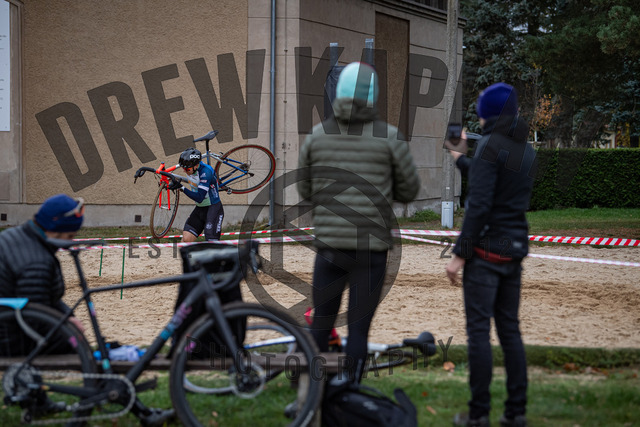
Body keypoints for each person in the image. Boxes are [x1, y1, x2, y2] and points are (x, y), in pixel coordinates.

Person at [297, 61, 420, 383]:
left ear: (339, 93)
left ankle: (312, 393)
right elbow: (410, 190)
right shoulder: (390, 137)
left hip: (330, 247)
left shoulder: (317, 136)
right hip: (371, 250)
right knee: (358, 329)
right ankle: (350, 388)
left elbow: (304, 189)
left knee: (321, 322)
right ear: (373, 95)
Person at [445, 83, 536, 427]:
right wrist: (461, 159)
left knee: (479, 333)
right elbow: (493, 182)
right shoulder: (524, 149)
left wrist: (460, 254)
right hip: (514, 250)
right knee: (510, 331)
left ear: (489, 114)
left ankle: (478, 413)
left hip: (485, 255)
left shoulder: (489, 146)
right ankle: (516, 412)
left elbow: (480, 205)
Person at [0, 194, 86, 338]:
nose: (69, 243)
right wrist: (70, 334)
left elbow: (48, 301)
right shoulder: (37, 263)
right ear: (54, 230)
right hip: (11, 338)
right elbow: (36, 322)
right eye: (70, 236)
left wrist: (68, 316)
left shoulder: (20, 235)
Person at [169, 147, 224, 242]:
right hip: (200, 209)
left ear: (196, 165)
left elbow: (199, 198)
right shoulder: (191, 168)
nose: (184, 171)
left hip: (213, 208)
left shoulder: (205, 172)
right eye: (183, 168)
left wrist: (182, 188)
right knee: (186, 240)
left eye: (187, 169)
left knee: (211, 243)